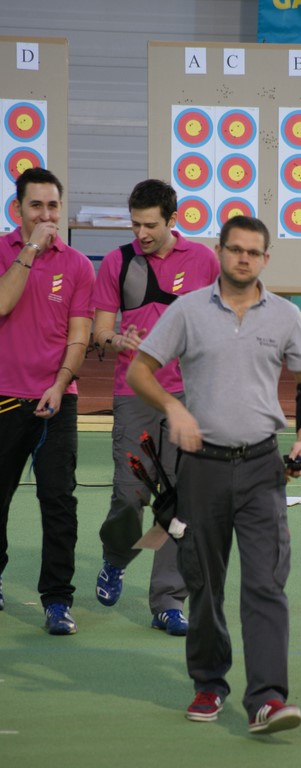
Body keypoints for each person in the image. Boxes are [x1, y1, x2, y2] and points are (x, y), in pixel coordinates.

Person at [126, 215, 301, 734]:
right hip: (202, 471)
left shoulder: (285, 316)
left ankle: (268, 700)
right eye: (234, 250)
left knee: (265, 583)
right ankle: (209, 685)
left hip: (262, 467)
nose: (243, 259)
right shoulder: (188, 311)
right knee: (204, 586)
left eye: (252, 252)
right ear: (220, 252)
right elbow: (138, 371)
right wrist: (174, 408)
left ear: (265, 259)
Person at [92, 179, 219, 635]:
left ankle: (167, 601)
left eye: (149, 225)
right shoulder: (117, 262)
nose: (140, 233)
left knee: (179, 503)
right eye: (135, 224)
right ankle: (115, 557)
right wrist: (115, 338)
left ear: (172, 220)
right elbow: (101, 329)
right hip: (135, 396)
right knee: (130, 496)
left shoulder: (205, 260)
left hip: (189, 398)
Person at [0, 167, 95, 634]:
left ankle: (57, 600)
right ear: (17, 209)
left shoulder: (78, 265)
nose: (46, 214)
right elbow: (1, 304)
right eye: (36, 205)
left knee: (59, 501)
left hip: (58, 398)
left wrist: (60, 384)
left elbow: (79, 336)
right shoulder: (2, 252)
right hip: (3, 398)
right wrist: (32, 248)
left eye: (53, 205)